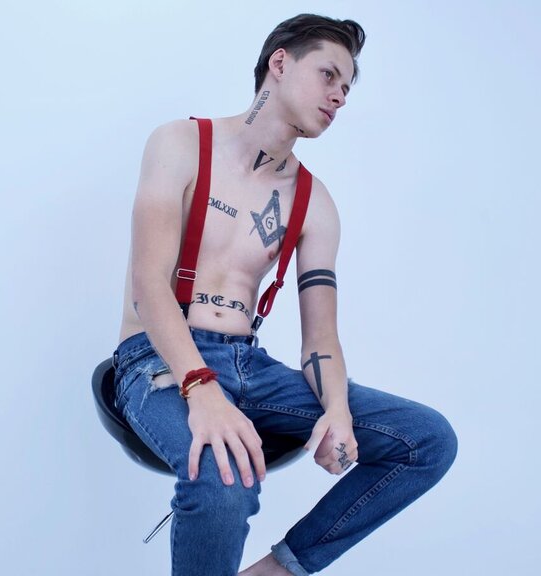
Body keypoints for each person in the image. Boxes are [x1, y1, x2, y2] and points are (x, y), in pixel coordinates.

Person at [112, 14, 457, 575]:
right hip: (158, 360)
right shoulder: (181, 143)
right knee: (223, 480)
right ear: (280, 62)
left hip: (250, 366)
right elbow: (149, 287)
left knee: (427, 440)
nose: (339, 96)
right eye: (329, 75)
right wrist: (202, 390)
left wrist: (337, 410)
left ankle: (278, 571)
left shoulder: (314, 202)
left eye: (347, 88)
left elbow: (320, 338)